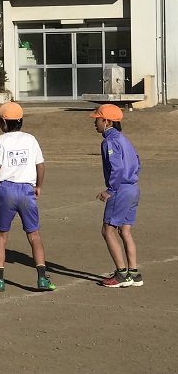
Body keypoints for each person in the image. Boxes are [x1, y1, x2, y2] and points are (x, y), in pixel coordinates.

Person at [0, 102, 55, 292]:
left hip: (6, 189)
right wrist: (38, 186)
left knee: (1, 236)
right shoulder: (30, 139)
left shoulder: (0, 140)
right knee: (34, 236)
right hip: (27, 190)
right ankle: (42, 278)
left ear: (3, 122)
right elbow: (40, 165)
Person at [89, 104, 143, 288]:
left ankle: (121, 275)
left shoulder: (109, 141)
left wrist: (111, 190)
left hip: (121, 190)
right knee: (125, 231)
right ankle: (133, 273)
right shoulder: (124, 139)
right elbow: (137, 161)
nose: (95, 123)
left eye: (97, 119)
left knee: (108, 230)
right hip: (133, 188)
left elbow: (117, 168)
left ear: (108, 121)